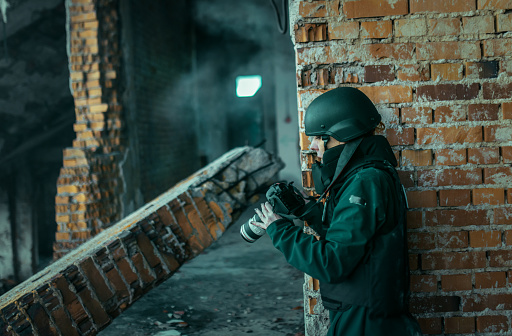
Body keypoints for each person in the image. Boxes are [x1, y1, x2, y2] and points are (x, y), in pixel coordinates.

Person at [252, 87, 422, 335]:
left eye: (317, 137)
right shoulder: (366, 175)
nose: (312, 146)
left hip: (365, 322)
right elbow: (354, 237)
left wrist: (278, 229)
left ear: (340, 135)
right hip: (366, 311)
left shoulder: (365, 182)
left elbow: (332, 262)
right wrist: (308, 211)